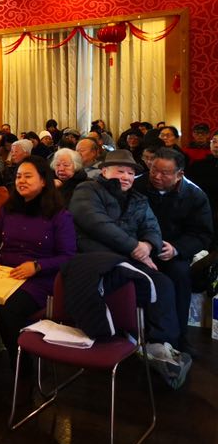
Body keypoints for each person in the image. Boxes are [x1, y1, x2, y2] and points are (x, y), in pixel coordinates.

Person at [69, 150, 183, 353]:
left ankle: (160, 345)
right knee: (149, 283)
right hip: (96, 259)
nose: (126, 177)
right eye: (120, 171)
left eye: (131, 173)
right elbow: (96, 222)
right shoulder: (87, 189)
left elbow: (152, 228)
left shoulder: (138, 199)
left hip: (129, 260)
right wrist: (134, 247)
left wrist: (148, 245)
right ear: (104, 171)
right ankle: (128, 337)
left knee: (163, 283)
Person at [0, 156, 76, 362]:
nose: (21, 181)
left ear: (43, 181)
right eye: (18, 176)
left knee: (9, 309)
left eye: (28, 176)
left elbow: (68, 257)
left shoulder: (59, 215)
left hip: (39, 280)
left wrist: (37, 266)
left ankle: (21, 366)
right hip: (5, 275)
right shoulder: (8, 209)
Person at [135, 148, 213, 350]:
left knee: (179, 275)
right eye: (154, 170)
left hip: (171, 251)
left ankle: (179, 337)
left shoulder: (194, 195)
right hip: (138, 247)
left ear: (180, 174)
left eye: (165, 173)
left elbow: (202, 234)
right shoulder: (137, 185)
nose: (157, 176)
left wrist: (176, 249)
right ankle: (133, 335)